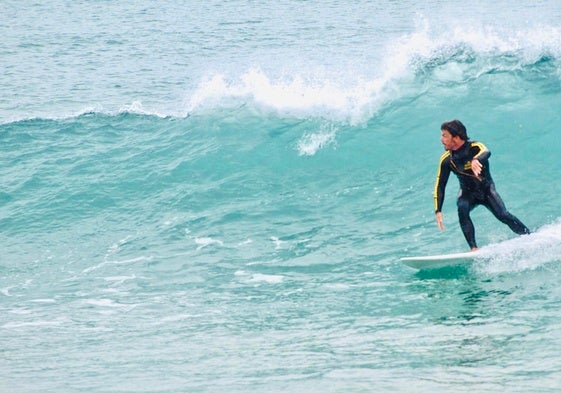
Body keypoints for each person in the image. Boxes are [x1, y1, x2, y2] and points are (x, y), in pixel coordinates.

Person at [433, 119, 530, 251]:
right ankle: (473, 248)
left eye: (444, 135)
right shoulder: (446, 160)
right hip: (467, 193)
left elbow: (486, 152)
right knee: (462, 208)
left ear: (455, 137)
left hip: (486, 190)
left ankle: (529, 236)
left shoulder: (475, 147)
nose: (441, 139)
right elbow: (440, 185)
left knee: (503, 215)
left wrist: (476, 160)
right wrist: (438, 210)